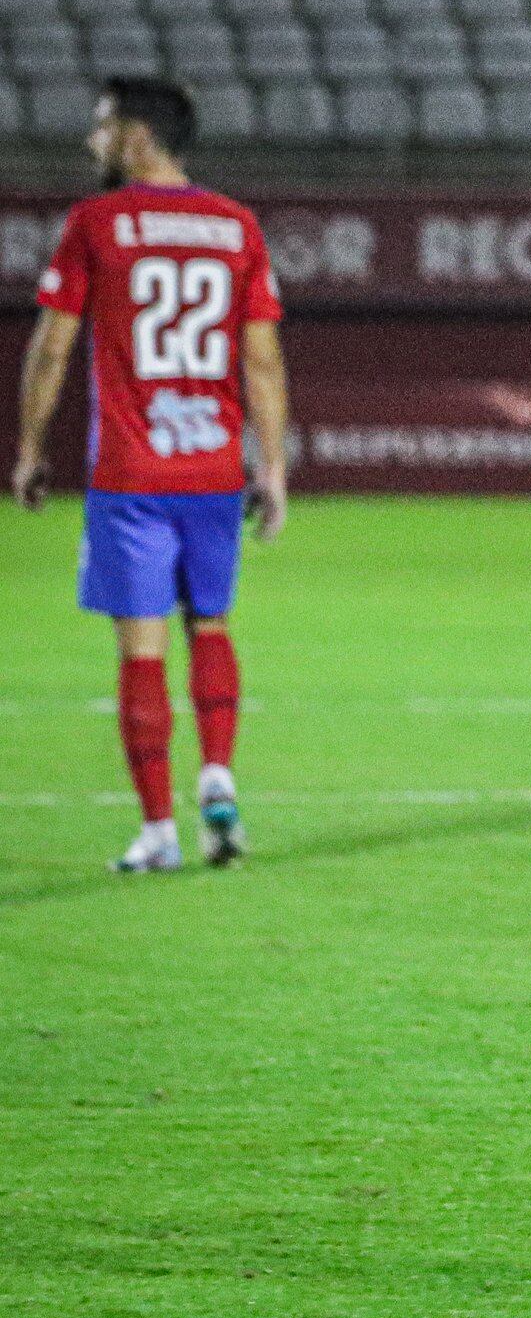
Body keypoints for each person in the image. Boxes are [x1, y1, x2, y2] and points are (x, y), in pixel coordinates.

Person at [12, 76, 288, 873]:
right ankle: (218, 772)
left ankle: (161, 831)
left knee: (140, 652)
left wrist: (31, 449)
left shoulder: (97, 223)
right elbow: (262, 362)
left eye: (102, 127)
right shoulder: (236, 226)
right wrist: (270, 468)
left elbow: (53, 348)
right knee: (211, 625)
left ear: (137, 136)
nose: (92, 142)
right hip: (211, 470)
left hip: (132, 472)